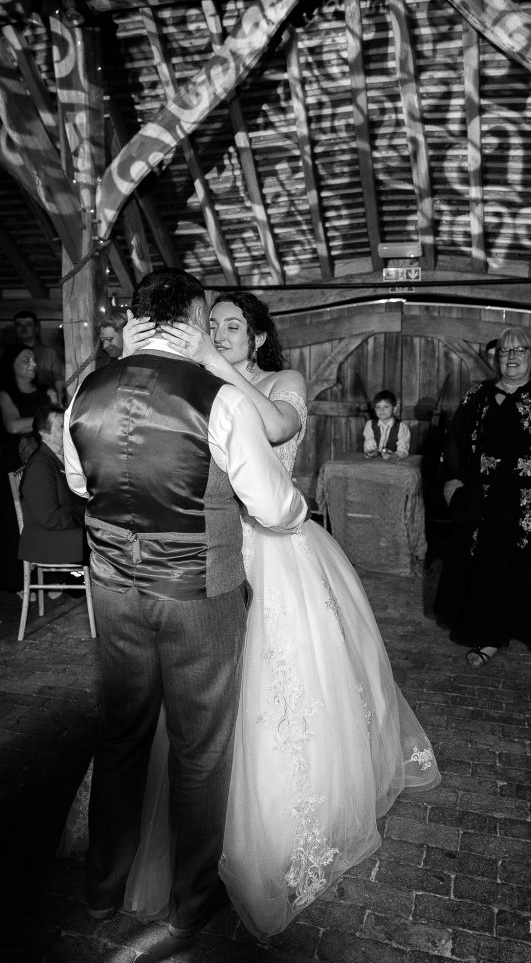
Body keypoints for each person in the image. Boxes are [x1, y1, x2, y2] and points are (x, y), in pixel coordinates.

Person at [69, 290, 440, 940]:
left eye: (233, 325)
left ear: (259, 336)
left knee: (266, 698)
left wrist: (213, 358)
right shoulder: (199, 388)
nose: (219, 332)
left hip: (273, 556)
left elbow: (280, 430)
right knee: (193, 730)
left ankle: (222, 847)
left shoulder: (268, 382)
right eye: (210, 324)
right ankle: (188, 879)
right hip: (204, 564)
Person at [62, 269, 308, 940]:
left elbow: (82, 484)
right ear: (196, 317)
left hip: (114, 593)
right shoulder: (218, 399)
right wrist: (299, 507)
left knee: (121, 740)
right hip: (201, 597)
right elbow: (273, 507)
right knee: (200, 754)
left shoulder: (86, 392)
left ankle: (101, 891)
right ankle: (192, 899)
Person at [434, 325, 531, 678]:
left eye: (519, 351)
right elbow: (454, 438)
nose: (512, 357)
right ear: (495, 357)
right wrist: (452, 479)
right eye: (505, 351)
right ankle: (490, 634)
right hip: (488, 500)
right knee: (490, 568)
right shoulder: (477, 395)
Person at [0, 345, 58, 592]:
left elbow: (59, 422)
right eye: (26, 360)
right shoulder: (5, 394)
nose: (33, 364)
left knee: (46, 516)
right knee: (17, 523)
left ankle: (51, 578)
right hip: (14, 463)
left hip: (44, 463)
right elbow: (13, 426)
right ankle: (20, 582)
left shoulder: (48, 392)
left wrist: (49, 413)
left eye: (34, 359)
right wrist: (43, 418)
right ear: (12, 365)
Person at [18, 406, 86, 599]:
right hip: (47, 540)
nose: (67, 429)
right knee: (106, 542)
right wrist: (87, 515)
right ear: (44, 434)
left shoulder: (58, 458)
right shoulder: (40, 465)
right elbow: (50, 518)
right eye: (61, 426)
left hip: (59, 532)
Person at [13, 310, 65, 403]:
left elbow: (60, 386)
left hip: (44, 402)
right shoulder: (8, 355)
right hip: (16, 403)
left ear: (36, 329)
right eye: (19, 325)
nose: (23, 328)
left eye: (28, 324)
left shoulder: (50, 354)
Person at [363, 389, 410, 459]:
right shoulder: (370, 424)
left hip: (394, 463)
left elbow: (403, 448)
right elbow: (369, 442)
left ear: (394, 409)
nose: (381, 410)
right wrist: (371, 451)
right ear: (374, 409)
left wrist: (395, 455)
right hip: (374, 461)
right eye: (378, 407)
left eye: (386, 406)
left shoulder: (401, 427)